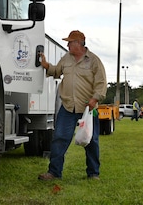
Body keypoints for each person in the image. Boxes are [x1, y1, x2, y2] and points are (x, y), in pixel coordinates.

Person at [37, 30, 107, 181]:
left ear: (78, 44)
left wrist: (95, 99)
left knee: (91, 141)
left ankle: (93, 173)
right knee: (59, 138)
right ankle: (54, 172)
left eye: (70, 42)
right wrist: (46, 65)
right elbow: (56, 71)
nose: (67, 45)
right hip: (68, 106)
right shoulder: (66, 58)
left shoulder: (94, 60)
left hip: (88, 109)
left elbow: (101, 83)